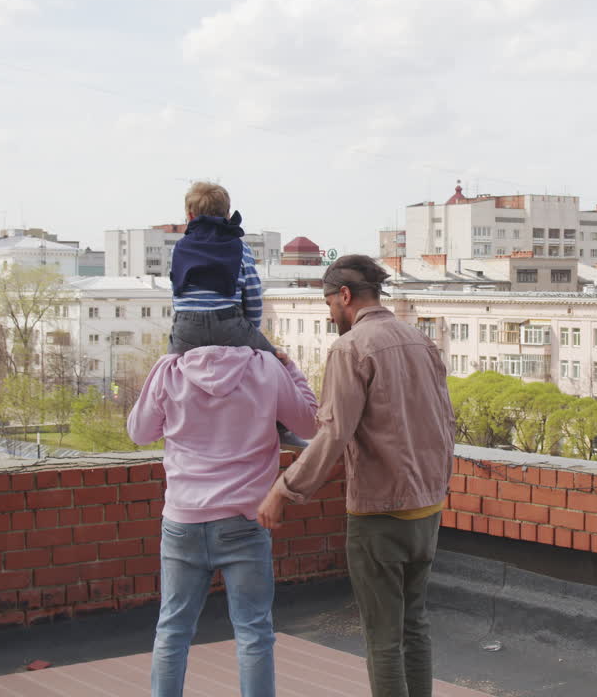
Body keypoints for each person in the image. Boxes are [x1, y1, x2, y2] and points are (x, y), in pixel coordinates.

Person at [258, 254, 456, 697]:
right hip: (428, 508)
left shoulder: (350, 348)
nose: (329, 314)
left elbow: (333, 434)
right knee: (415, 626)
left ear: (344, 296)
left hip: (380, 514)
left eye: (328, 303)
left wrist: (283, 490)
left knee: (383, 639)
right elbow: (445, 424)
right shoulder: (421, 342)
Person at [128, 343, 318, 697]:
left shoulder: (170, 369)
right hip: (243, 521)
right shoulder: (265, 367)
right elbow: (310, 423)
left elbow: (139, 433)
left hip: (183, 520)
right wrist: (290, 368)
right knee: (254, 634)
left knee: (172, 631)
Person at [168, 180, 305, 448]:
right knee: (275, 364)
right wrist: (250, 332)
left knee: (171, 373)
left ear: (190, 215)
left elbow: (178, 292)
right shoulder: (239, 248)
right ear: (228, 215)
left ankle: (177, 427)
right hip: (228, 322)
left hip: (186, 326)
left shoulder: (179, 247)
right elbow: (253, 292)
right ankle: (282, 428)